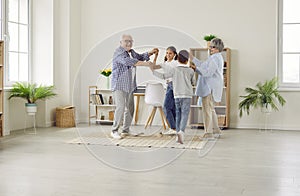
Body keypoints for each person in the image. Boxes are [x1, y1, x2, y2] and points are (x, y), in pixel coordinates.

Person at [111, 34, 158, 139]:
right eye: (126, 41)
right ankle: (114, 130)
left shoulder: (132, 52)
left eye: (131, 41)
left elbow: (140, 57)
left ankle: (125, 130)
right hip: (119, 85)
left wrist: (150, 52)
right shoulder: (118, 52)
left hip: (130, 86)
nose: (128, 43)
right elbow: (128, 62)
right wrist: (147, 64)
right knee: (121, 107)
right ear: (121, 42)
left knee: (130, 108)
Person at [152, 50, 195, 144]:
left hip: (177, 95)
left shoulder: (174, 70)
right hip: (187, 95)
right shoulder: (191, 71)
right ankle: (181, 132)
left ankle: (178, 133)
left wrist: (153, 71)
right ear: (187, 60)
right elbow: (193, 82)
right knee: (184, 114)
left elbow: (163, 76)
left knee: (178, 113)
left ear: (178, 59)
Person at [190, 38, 224, 139]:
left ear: (218, 48)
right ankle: (216, 130)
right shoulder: (215, 57)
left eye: (213, 47)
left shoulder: (214, 58)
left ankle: (208, 132)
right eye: (210, 47)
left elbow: (208, 72)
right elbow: (203, 65)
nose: (211, 49)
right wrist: (192, 58)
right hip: (212, 87)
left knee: (207, 110)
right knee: (211, 109)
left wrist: (196, 69)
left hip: (209, 87)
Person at [153, 46, 178, 135]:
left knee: (167, 107)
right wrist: (156, 56)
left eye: (170, 53)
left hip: (174, 85)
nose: (168, 55)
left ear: (174, 54)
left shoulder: (175, 63)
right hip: (169, 85)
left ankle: (173, 127)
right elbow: (153, 67)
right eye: (167, 53)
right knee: (171, 108)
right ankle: (175, 128)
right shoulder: (165, 63)